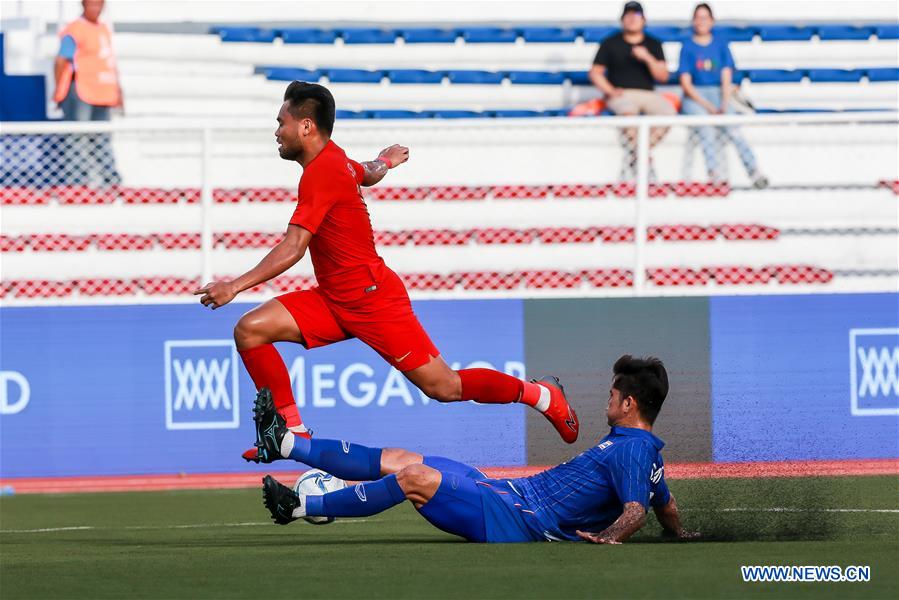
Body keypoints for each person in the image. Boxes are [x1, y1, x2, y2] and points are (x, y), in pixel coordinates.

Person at [194, 81, 580, 463]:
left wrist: (235, 286)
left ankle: (541, 395)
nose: (277, 131)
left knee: (444, 387)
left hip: (372, 299)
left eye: (282, 122)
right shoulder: (336, 160)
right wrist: (387, 161)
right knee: (250, 330)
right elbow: (366, 171)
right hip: (334, 299)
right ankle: (292, 432)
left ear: (306, 125)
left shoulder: (321, 172)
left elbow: (294, 247)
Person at [258, 355, 699, 544]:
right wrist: (679, 533)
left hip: (518, 520)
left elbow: (636, 511)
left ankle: (298, 506)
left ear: (629, 404)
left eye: (612, 396)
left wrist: (608, 537)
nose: (606, 401)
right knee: (404, 458)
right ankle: (289, 442)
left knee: (413, 479)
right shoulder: (637, 449)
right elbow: (664, 502)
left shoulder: (633, 451)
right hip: (511, 493)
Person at [678, 3, 768, 187]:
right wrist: (709, 107)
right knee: (705, 128)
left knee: (733, 129)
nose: (701, 22)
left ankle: (753, 170)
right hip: (696, 96)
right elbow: (686, 84)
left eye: (705, 18)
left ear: (712, 21)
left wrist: (724, 103)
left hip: (719, 93)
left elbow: (726, 76)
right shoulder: (687, 47)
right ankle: (715, 174)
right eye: (698, 18)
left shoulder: (720, 44)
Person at [590, 1, 675, 179]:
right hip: (621, 94)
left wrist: (647, 58)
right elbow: (595, 73)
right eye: (628, 15)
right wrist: (610, 91)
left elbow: (663, 76)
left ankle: (638, 155)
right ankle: (643, 161)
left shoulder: (653, 44)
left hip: (648, 94)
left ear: (644, 20)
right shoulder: (610, 43)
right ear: (622, 19)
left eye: (636, 15)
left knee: (668, 113)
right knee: (629, 114)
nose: (632, 19)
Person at [52, 0, 122, 185]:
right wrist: (59, 90)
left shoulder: (103, 29)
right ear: (83, 5)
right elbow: (61, 61)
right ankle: (77, 185)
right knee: (77, 139)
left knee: (102, 139)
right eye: (92, 4)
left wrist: (118, 92)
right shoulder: (75, 30)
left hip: (103, 94)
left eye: (99, 4)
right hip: (80, 93)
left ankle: (111, 183)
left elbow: (108, 62)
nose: (96, 9)